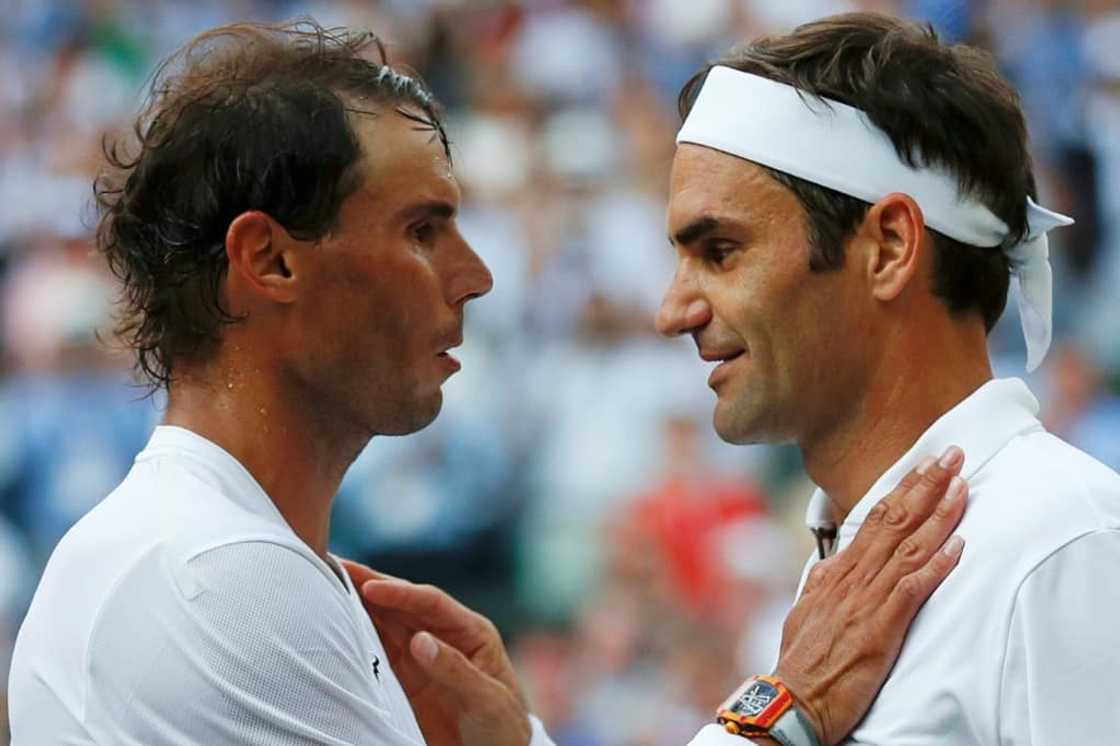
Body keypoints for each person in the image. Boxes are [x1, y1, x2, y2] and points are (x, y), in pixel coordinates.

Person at [9, 20, 966, 746]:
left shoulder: (208, 555)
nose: (476, 274)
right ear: (270, 261)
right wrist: (784, 710)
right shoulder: (214, 575)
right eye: (423, 231)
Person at [655, 12, 1120, 745]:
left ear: (890, 247)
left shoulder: (1063, 546)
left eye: (720, 251)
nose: (672, 311)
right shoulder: (837, 577)